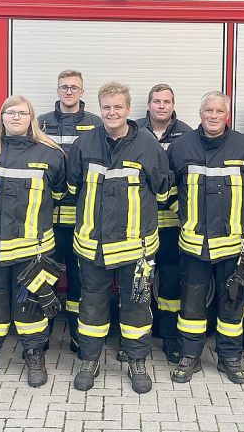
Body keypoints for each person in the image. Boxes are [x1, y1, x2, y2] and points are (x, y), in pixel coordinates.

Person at [68, 82, 171, 394]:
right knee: (92, 306)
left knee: (137, 306)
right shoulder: (84, 143)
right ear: (100, 109)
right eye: (107, 107)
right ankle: (90, 360)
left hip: (136, 246)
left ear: (128, 109)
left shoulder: (148, 145)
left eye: (118, 107)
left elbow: (162, 191)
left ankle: (137, 361)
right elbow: (74, 189)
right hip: (93, 245)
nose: (112, 113)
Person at [0, 96, 67, 388]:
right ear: (2, 117)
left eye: (23, 113)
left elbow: (57, 195)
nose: (16, 117)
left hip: (32, 251)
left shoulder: (51, 154)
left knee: (31, 306)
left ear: (32, 118)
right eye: (11, 112)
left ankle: (34, 355)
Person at [166, 91, 244, 385]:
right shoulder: (181, 146)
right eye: (208, 110)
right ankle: (190, 356)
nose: (213, 115)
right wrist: (183, 215)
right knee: (192, 306)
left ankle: (230, 358)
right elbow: (166, 186)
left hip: (232, 245)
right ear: (200, 113)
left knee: (231, 303)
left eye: (219, 111)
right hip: (194, 244)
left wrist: (238, 215)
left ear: (227, 114)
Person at [37, 70, 103, 356]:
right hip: (47, 217)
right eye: (64, 86)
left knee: (79, 277)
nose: (69, 91)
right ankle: (42, 332)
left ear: (82, 91)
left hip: (80, 217)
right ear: (57, 89)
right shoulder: (40, 123)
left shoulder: (95, 124)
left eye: (74, 87)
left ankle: (77, 334)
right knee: (45, 275)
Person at [136, 83, 192, 363]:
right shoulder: (134, 130)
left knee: (170, 282)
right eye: (156, 101)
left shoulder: (188, 134)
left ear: (173, 105)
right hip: (137, 222)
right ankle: (134, 340)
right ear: (148, 104)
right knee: (137, 282)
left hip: (171, 222)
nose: (161, 106)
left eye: (166, 101)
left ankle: (170, 337)